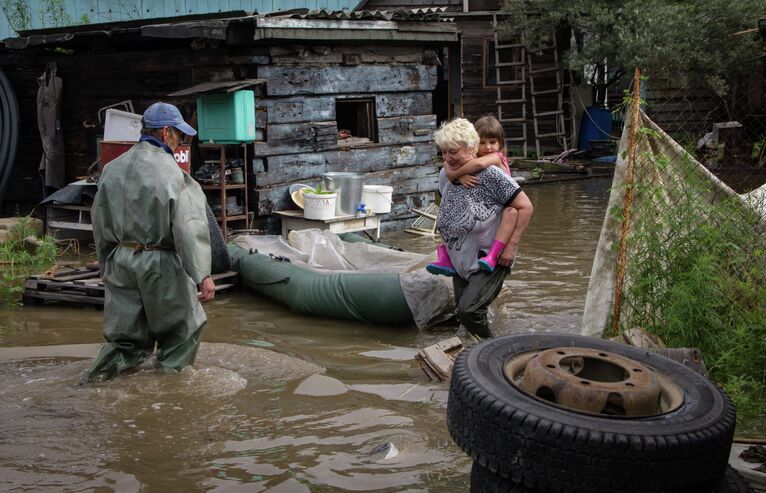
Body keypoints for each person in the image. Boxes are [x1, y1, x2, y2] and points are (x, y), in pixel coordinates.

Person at [82, 102, 216, 383]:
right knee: (183, 330)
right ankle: (168, 390)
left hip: (120, 260)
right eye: (179, 135)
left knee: (125, 339)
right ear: (166, 132)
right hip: (159, 261)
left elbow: (100, 220)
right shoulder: (174, 173)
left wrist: (107, 263)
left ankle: (95, 383)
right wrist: (202, 274)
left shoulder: (112, 168)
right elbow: (188, 228)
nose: (180, 141)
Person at [432, 118, 533, 338]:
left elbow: (525, 207)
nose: (447, 158)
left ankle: (492, 350)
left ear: (471, 149)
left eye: (453, 152)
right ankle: (473, 355)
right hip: (459, 257)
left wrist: (511, 247)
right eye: (443, 153)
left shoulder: (492, 175)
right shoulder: (445, 175)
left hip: (490, 257)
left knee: (469, 311)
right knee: (464, 314)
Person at [427, 115, 518, 275]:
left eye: (492, 142)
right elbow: (447, 164)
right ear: (475, 144)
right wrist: (456, 175)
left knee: (511, 214)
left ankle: (492, 254)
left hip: (506, 206)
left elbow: (477, 164)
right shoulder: (463, 164)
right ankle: (445, 254)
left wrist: (456, 175)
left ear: (500, 143)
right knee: (446, 213)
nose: (488, 147)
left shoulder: (495, 159)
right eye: (483, 142)